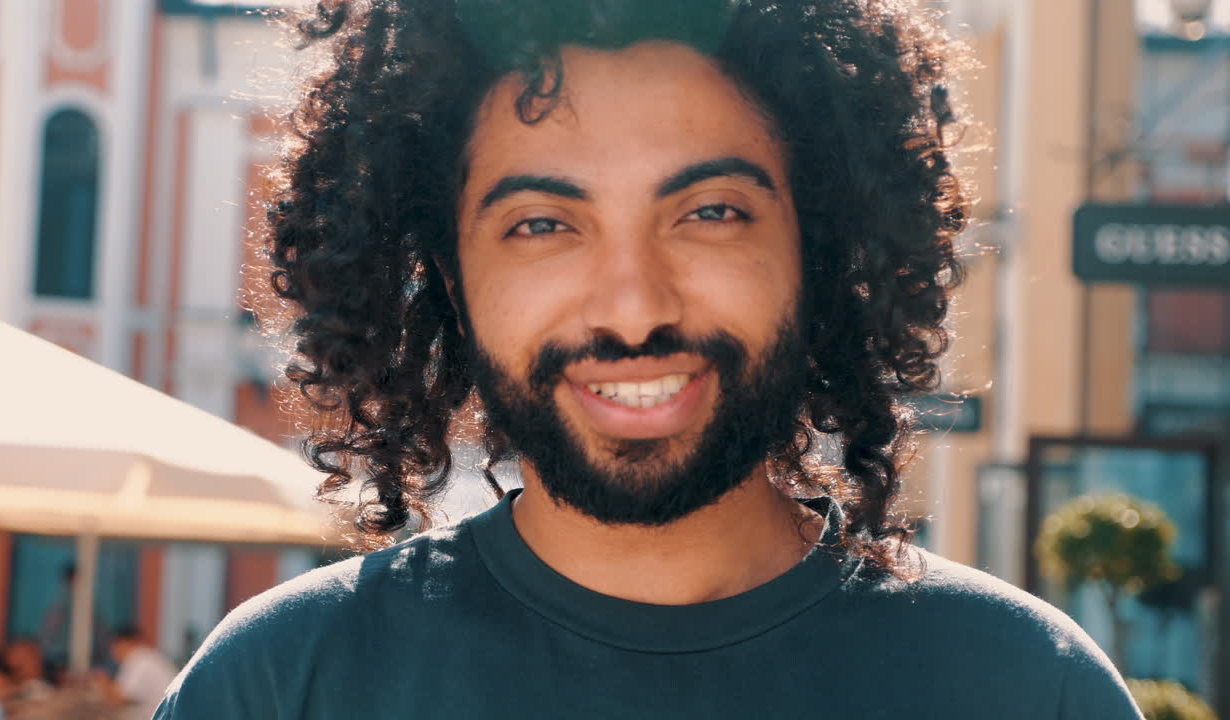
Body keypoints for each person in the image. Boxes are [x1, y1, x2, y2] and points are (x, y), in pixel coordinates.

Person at [156, 1, 1143, 718]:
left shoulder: (1022, 687)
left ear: (819, 249)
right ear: (447, 280)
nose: (632, 306)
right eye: (542, 224)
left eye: (709, 213)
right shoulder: (285, 685)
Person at [97, 627, 177, 720]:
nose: (113, 652)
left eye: (114, 646)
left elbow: (118, 700)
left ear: (125, 643)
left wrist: (103, 681)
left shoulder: (139, 660)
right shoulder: (146, 657)